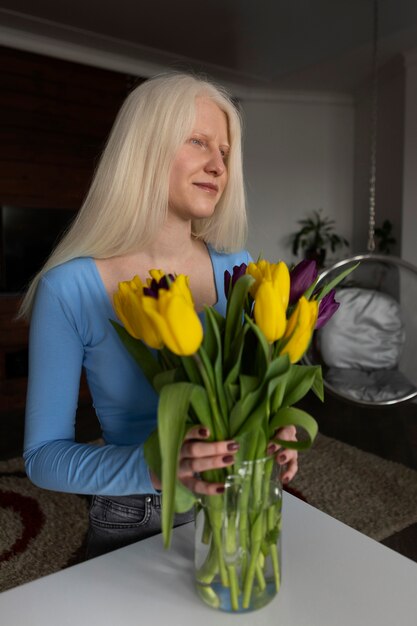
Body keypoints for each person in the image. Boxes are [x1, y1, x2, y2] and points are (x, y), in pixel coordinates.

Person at [20, 73, 298, 558]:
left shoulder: (240, 270)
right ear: (144, 149)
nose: (219, 166)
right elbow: (43, 457)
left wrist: (271, 427)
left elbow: (252, 387)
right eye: (199, 142)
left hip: (240, 500)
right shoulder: (69, 289)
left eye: (226, 153)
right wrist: (157, 467)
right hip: (138, 513)